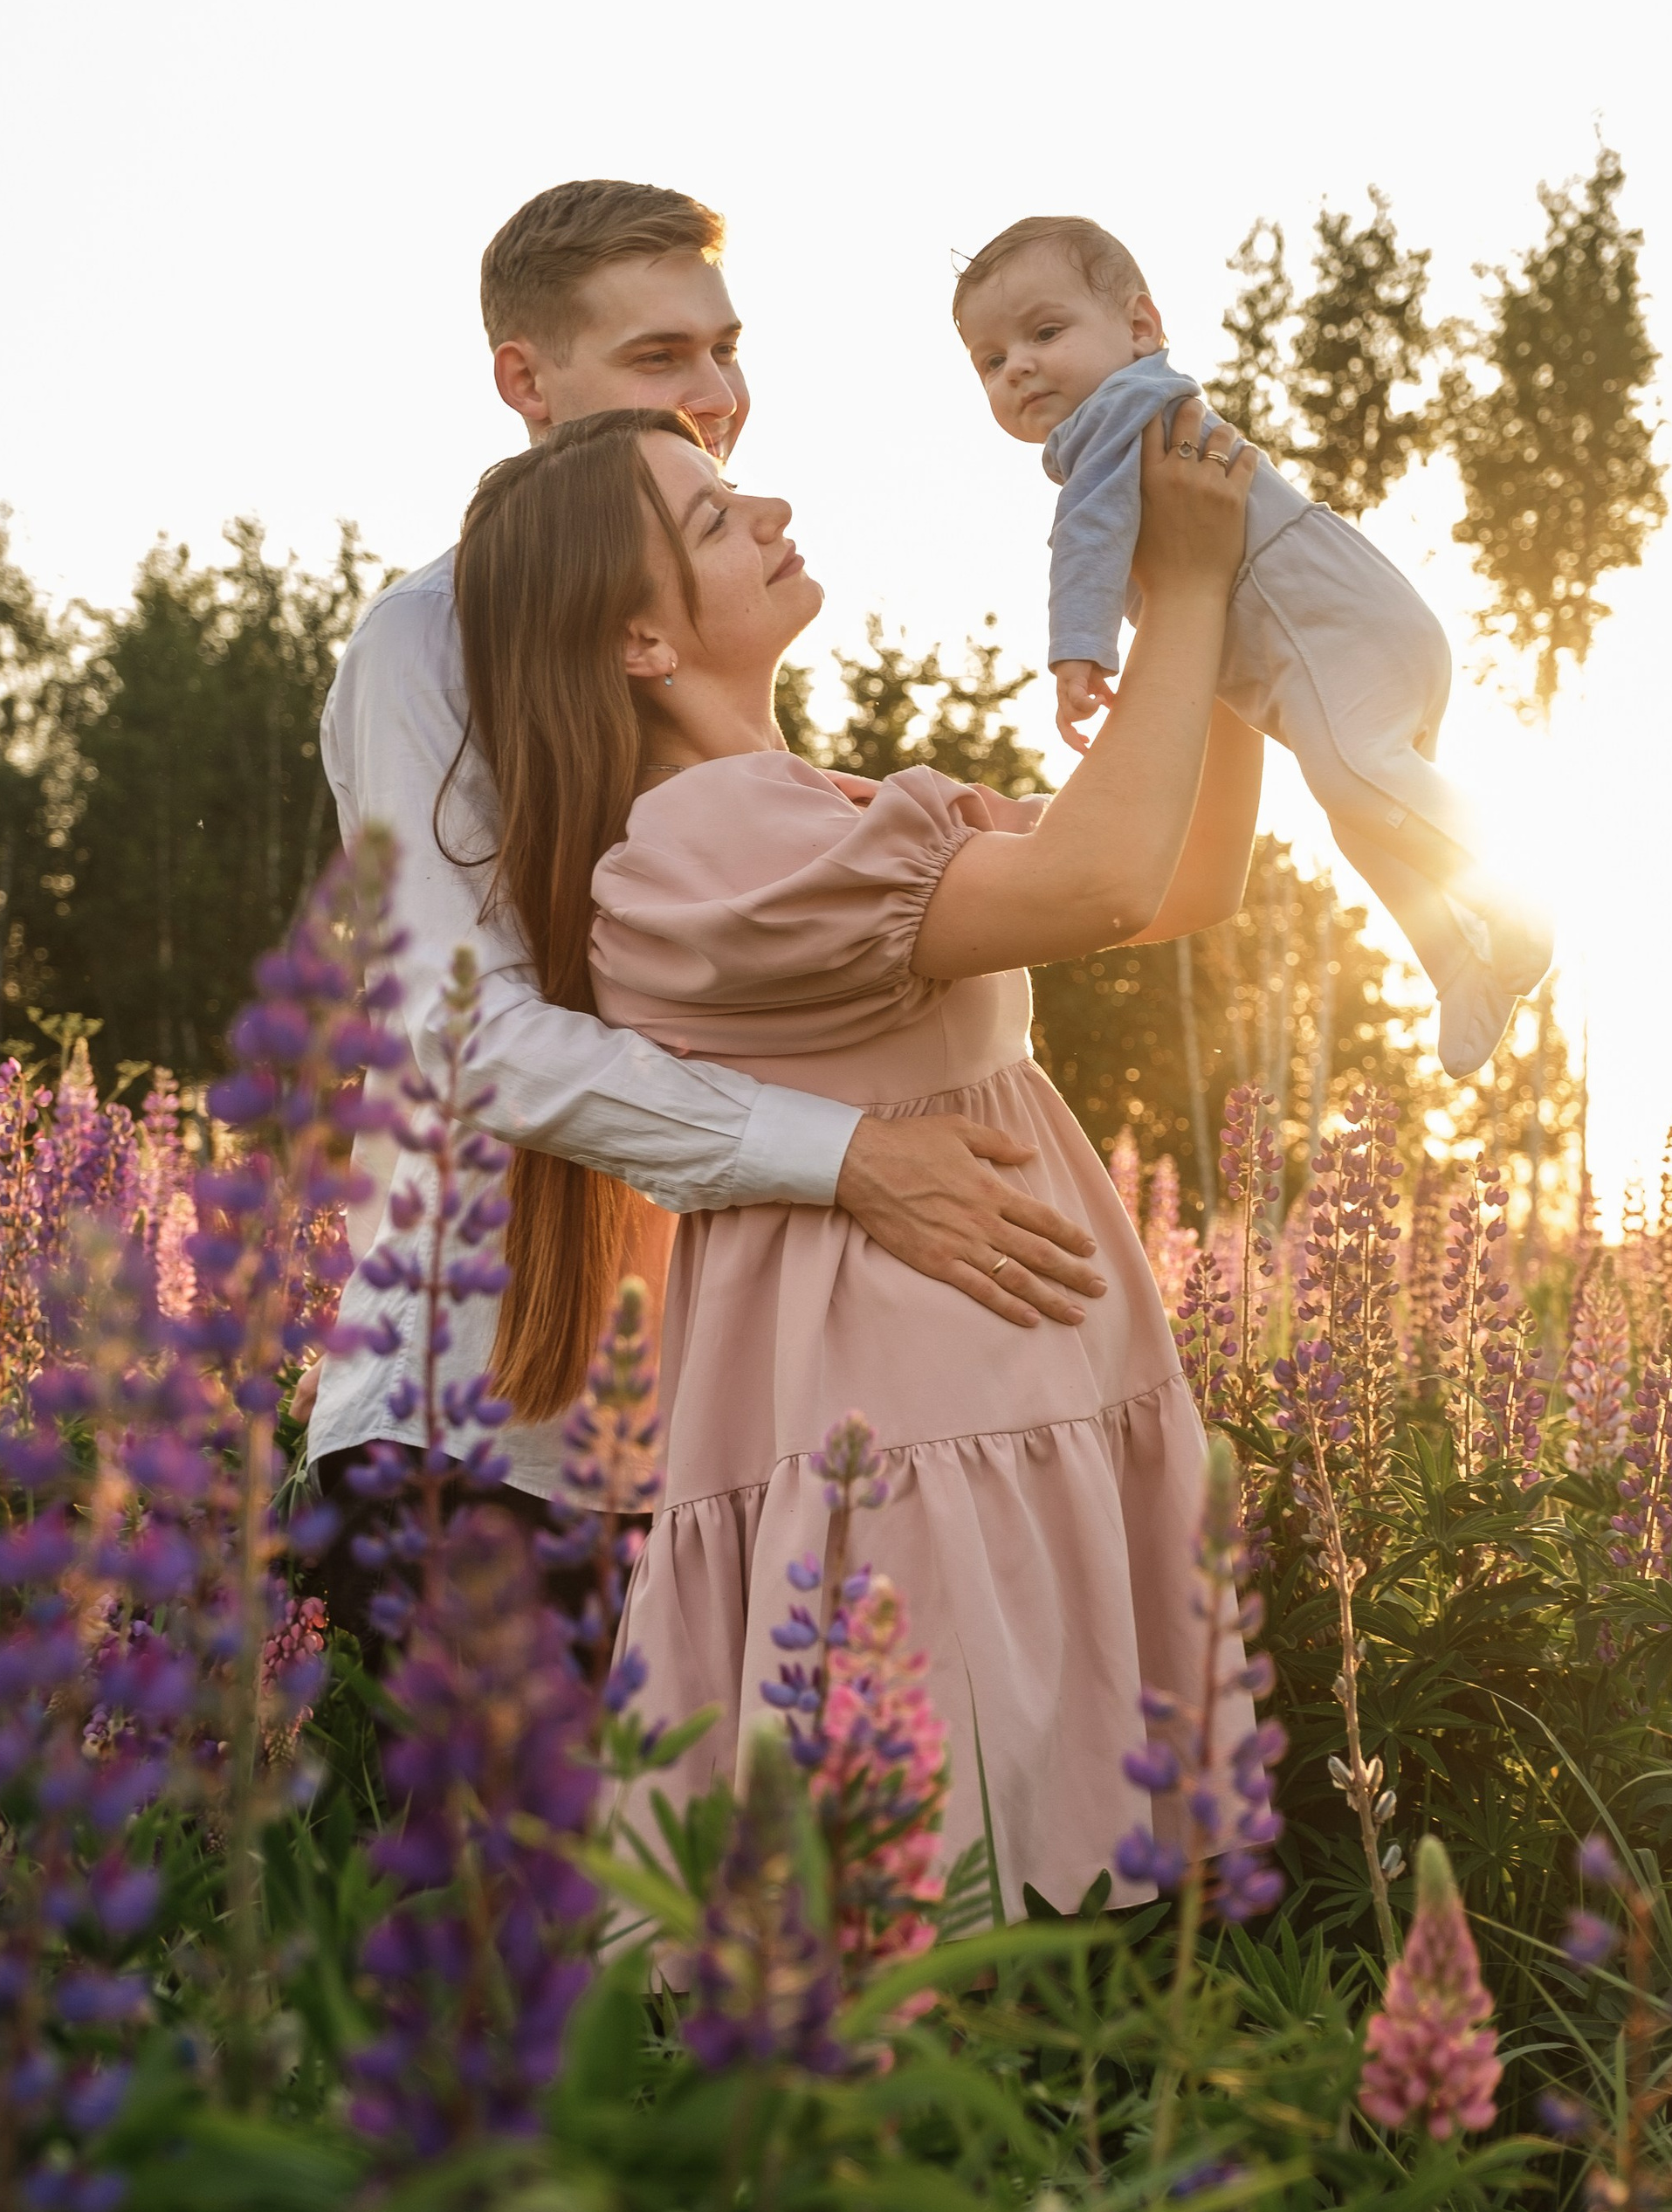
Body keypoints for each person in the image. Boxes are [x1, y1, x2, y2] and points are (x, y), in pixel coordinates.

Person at [449, 396, 1263, 1913]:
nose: (762, 516)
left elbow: (1178, 880)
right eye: (709, 517)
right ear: (639, 643)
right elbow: (1098, 881)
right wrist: (1201, 589)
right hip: (909, 1427)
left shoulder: (806, 811)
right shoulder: (706, 847)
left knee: (1004, 1948)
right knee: (931, 1938)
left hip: (1008, 1384)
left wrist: (1212, 625)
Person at [306, 181, 1105, 1519]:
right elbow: (464, 1032)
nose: (719, 395)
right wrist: (841, 1153)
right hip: (484, 1448)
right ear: (527, 375)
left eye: (727, 349)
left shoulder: (711, 633)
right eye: (661, 358)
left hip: (707, 1440)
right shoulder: (429, 640)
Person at [953, 212, 1553, 1078]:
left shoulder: (1120, 414)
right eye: (991, 361)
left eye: (1045, 333)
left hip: (1328, 625)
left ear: (1139, 327)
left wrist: (1078, 648)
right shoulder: (1125, 426)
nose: (1020, 367)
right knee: (1363, 818)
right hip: (1342, 636)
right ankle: (1460, 966)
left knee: (1354, 780)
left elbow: (1086, 540)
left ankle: (1507, 892)